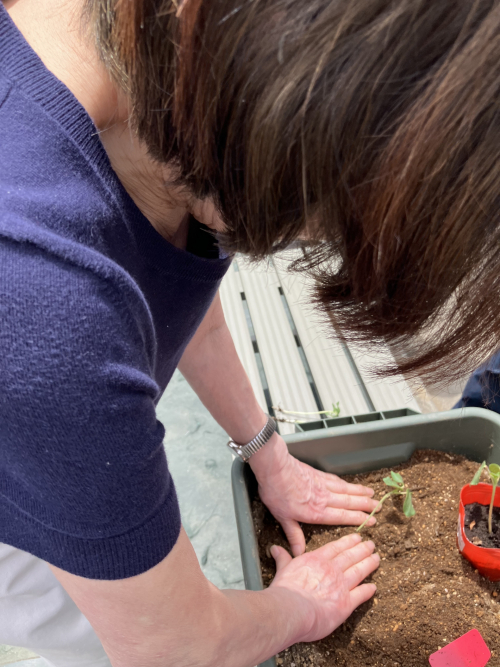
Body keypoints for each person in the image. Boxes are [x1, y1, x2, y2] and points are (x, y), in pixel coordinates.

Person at [0, 1, 499, 666]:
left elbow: (176, 287)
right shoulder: (44, 306)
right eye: (324, 224)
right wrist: (298, 607)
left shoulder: (173, 113)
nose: (312, 241)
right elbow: (174, 648)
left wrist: (269, 453)